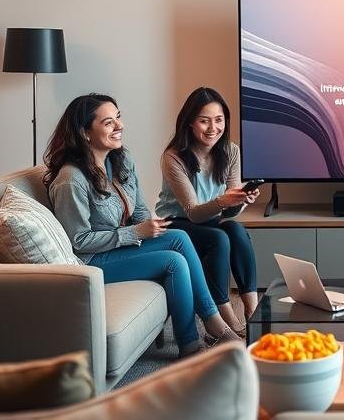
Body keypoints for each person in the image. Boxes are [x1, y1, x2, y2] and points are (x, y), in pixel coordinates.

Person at [44, 93, 241, 358]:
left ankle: (213, 324)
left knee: (179, 237)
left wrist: (149, 231)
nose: (120, 126)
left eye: (118, 118)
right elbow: (78, 241)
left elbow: (138, 211)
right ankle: (192, 344)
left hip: (118, 246)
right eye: (109, 123)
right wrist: (136, 233)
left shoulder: (120, 160)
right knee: (173, 261)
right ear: (84, 132)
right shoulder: (71, 179)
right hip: (92, 260)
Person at [156, 87, 259, 337]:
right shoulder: (173, 157)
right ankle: (225, 316)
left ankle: (253, 311)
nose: (213, 128)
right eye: (204, 121)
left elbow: (230, 214)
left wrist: (242, 200)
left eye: (219, 120)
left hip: (211, 218)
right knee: (218, 238)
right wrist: (224, 200)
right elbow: (193, 213)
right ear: (190, 122)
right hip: (176, 222)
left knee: (235, 230)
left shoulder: (231, 151)